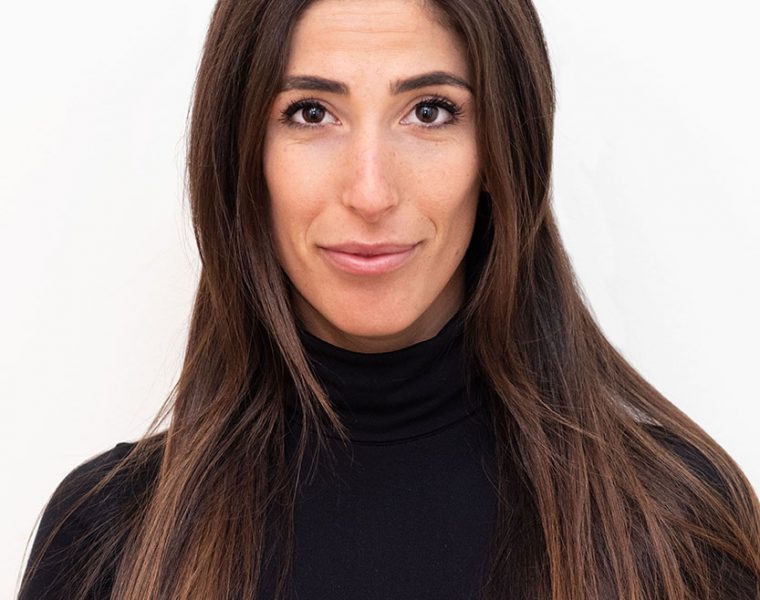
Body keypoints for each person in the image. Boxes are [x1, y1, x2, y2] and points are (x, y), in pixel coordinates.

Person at [18, 0, 760, 598]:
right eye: (311, 112)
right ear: (241, 155)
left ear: (502, 151)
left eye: (430, 111)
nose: (370, 192)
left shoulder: (677, 526)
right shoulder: (109, 540)